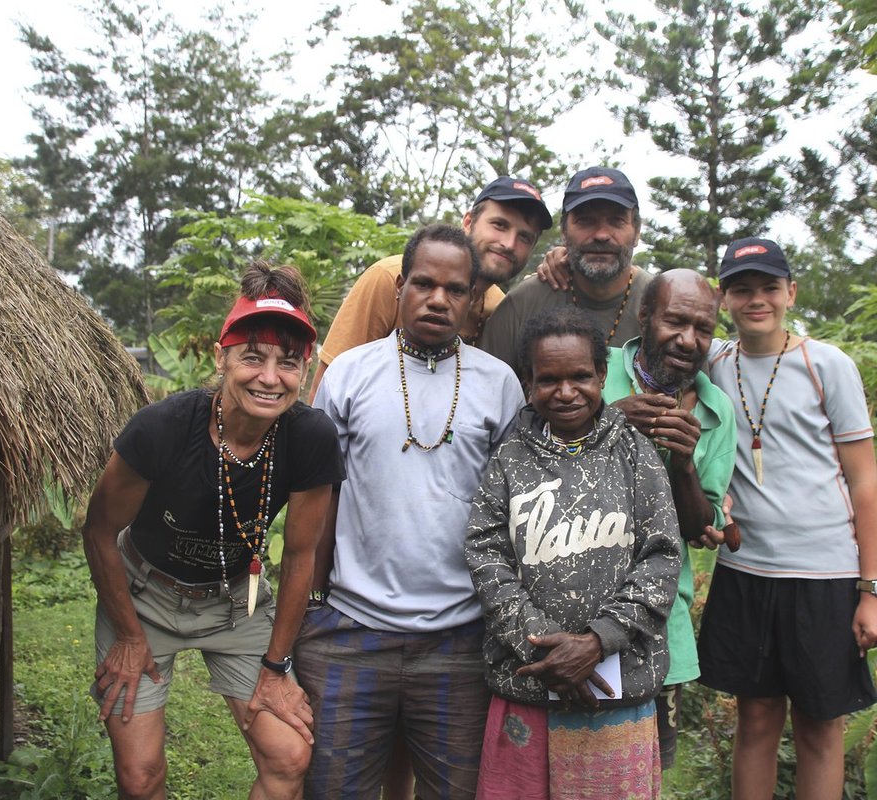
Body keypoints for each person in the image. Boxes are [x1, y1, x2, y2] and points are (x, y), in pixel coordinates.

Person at [82, 263, 344, 800]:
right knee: (140, 776)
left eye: (288, 363)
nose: (270, 378)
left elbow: (299, 558)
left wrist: (275, 667)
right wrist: (130, 636)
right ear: (221, 358)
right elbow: (99, 531)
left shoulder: (310, 437)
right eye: (253, 357)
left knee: (289, 756)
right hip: (145, 598)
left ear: (304, 371)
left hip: (235, 603)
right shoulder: (164, 428)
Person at [297, 223, 526, 799]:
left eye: (454, 290)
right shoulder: (348, 374)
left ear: (473, 299)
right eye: (423, 283)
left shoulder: (499, 385)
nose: (437, 299)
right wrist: (314, 605)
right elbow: (318, 502)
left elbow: (514, 512)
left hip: (460, 641)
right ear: (400, 287)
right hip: (350, 633)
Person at [697, 237, 877, 800]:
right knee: (755, 721)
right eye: (741, 289)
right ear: (723, 298)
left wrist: (873, 592)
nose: (756, 300)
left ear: (791, 292)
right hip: (746, 572)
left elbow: (865, 484)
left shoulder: (826, 364)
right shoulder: (711, 361)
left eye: (768, 287)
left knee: (818, 727)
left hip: (824, 576)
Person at [465, 307, 681, 799]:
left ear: (602, 375)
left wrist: (597, 642)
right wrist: (547, 647)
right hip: (530, 683)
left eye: (581, 376)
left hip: (617, 688)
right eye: (549, 380)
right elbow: (486, 553)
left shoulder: (634, 452)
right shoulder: (508, 458)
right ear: (528, 382)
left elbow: (662, 556)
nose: (566, 392)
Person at [600, 269, 738, 772]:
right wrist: (606, 421)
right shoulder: (594, 368)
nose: (688, 339)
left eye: (703, 328)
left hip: (659, 624)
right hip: (574, 611)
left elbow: (699, 529)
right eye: (675, 321)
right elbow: (538, 465)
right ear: (645, 317)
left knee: (645, 775)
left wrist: (683, 462)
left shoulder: (716, 410)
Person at [307, 176, 552, 403]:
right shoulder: (388, 277)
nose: (509, 244)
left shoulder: (498, 307)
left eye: (524, 237)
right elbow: (328, 388)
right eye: (499, 225)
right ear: (468, 222)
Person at [477, 166, 653, 376]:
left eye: (616, 221)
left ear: (637, 232)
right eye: (585, 221)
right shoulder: (523, 304)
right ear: (564, 232)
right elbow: (483, 394)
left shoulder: (663, 304)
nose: (601, 235)